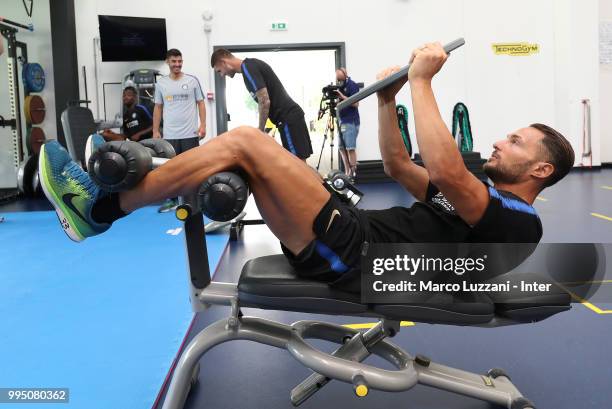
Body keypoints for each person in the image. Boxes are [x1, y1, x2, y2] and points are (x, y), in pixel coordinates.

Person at [39, 42, 574, 293]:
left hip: (355, 257)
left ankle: (101, 207)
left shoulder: (518, 222)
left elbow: (449, 171)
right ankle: (130, 189)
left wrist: (422, 81)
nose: (502, 142)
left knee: (247, 142)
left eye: (517, 141)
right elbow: (394, 163)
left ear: (541, 171)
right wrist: (386, 99)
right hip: (349, 233)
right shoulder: (478, 197)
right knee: (245, 153)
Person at [211, 49, 313, 162]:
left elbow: (264, 101)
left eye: (219, 71)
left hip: (289, 119)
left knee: (297, 165)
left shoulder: (248, 68)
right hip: (290, 118)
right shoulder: (249, 67)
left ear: (223, 62)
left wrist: (260, 130)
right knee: (301, 165)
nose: (221, 75)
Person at [153, 48, 207, 212]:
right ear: (167, 62)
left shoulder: (192, 81)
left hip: (190, 133)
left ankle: (195, 199)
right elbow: (158, 107)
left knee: (193, 167)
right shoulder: (161, 83)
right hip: (170, 134)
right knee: (171, 168)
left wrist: (203, 125)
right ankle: (172, 199)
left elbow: (201, 103)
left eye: (180, 61)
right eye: (174, 61)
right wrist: (155, 130)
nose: (177, 64)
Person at [335, 67, 361, 179]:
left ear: (345, 74)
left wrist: (342, 97)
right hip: (342, 121)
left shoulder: (352, 85)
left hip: (351, 121)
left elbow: (356, 103)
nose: (339, 81)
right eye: (337, 79)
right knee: (341, 148)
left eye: (340, 78)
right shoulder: (340, 86)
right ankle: (347, 171)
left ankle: (353, 173)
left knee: (350, 148)